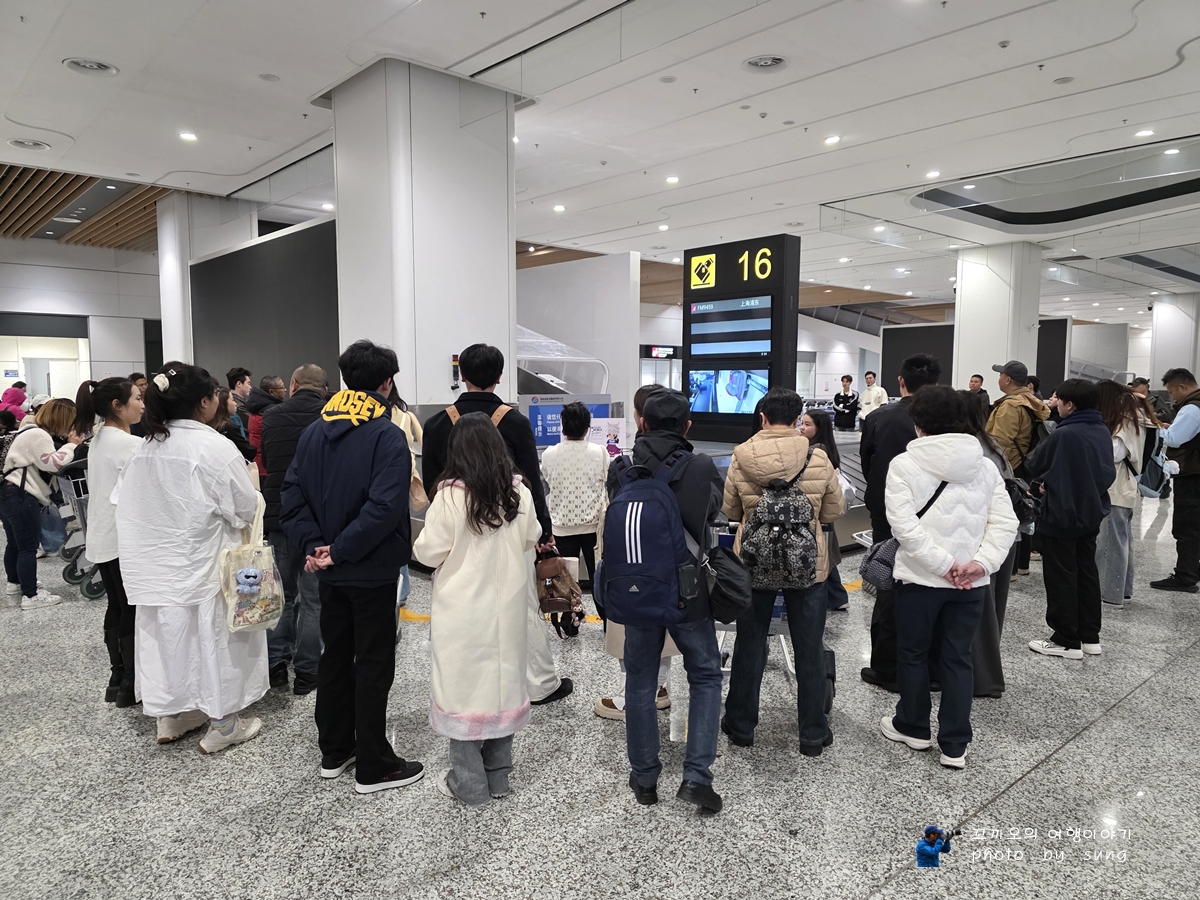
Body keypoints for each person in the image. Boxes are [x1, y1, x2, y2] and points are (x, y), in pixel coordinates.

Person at [281, 340, 425, 794]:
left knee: (336, 654)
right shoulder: (386, 435)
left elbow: (291, 496)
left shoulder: (313, 432)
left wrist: (317, 547)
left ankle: (335, 748)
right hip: (371, 567)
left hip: (328, 569)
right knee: (374, 662)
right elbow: (383, 509)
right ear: (386, 383)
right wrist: (340, 549)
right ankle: (374, 764)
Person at [115, 363, 266, 751]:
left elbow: (124, 501)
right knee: (211, 643)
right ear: (204, 402)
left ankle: (173, 715)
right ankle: (223, 724)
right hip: (201, 566)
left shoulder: (146, 446)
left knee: (168, 643)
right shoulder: (212, 447)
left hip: (153, 567)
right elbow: (244, 507)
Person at [422, 343, 572, 706]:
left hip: (456, 539)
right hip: (510, 532)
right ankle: (539, 683)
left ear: (462, 375)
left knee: (463, 616)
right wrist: (544, 530)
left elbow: (430, 484)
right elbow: (532, 480)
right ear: (500, 376)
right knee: (521, 607)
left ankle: (469, 691)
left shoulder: (437, 423)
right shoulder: (515, 422)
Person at [879, 386, 1017, 770]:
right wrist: (980, 564)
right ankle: (955, 745)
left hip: (919, 580)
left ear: (920, 423)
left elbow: (904, 527)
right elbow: (1005, 523)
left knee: (913, 654)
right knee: (958, 658)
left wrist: (943, 565)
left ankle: (913, 727)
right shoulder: (985, 466)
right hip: (971, 583)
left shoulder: (905, 464)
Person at [414, 413, 542, 805]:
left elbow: (428, 551)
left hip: (463, 611)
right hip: (507, 608)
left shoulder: (450, 496)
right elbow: (532, 537)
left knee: (463, 691)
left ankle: (468, 783)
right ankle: (499, 778)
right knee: (503, 688)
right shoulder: (518, 493)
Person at [608, 389, 725, 814]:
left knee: (640, 680)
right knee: (705, 675)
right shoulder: (701, 467)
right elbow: (712, 514)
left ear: (642, 422)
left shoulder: (621, 469)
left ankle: (644, 778)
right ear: (686, 427)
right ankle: (696, 778)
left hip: (637, 590)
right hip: (687, 591)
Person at [722, 387, 844, 756]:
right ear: (796, 420)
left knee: (749, 643)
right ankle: (812, 734)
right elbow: (833, 511)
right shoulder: (817, 457)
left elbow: (731, 511)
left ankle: (741, 726)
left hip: (753, 562)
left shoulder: (741, 456)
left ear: (762, 418)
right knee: (809, 647)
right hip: (808, 567)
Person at [595, 384, 679, 721]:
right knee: (665, 625)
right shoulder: (686, 464)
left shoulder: (624, 465)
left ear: (641, 419)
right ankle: (660, 687)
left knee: (628, 629)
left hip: (628, 560)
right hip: (670, 562)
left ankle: (630, 695)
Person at [859, 353, 942, 691]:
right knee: (934, 584)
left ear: (901, 381)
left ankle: (886, 667)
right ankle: (932, 669)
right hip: (936, 515)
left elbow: (867, 463)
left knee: (889, 584)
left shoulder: (879, 417)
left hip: (889, 514)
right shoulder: (949, 416)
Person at [1024, 379, 1115, 660]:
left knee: (1061, 575)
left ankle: (1066, 639)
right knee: (1086, 572)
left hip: (1061, 514)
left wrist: (1048, 483)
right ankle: (1089, 636)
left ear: (1070, 404)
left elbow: (1035, 463)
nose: (1056, 404)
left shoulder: (1064, 434)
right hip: (1091, 511)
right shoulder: (1102, 430)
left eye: (1058, 400)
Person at [74, 377, 144, 706]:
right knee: (129, 606)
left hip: (102, 535)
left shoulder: (99, 437)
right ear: (117, 406)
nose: (142, 404)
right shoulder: (129, 444)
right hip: (123, 537)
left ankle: (117, 678)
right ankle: (131, 683)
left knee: (115, 605)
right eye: (137, 398)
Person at [260, 364, 328, 694]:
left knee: (280, 596)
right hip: (318, 523)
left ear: (293, 385)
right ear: (325, 390)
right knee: (314, 600)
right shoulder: (330, 418)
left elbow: (269, 462)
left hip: (280, 515)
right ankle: (307, 672)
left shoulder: (271, 417)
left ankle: (275, 666)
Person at [959, 391, 1017, 699]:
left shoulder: (972, 452)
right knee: (991, 613)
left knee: (979, 615)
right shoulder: (991, 444)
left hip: (983, 541)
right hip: (1003, 541)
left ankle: (981, 680)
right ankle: (986, 676)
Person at [1, 398, 82, 609]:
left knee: (15, 544)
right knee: (28, 547)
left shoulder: (26, 431)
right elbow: (53, 464)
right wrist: (72, 445)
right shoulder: (39, 434)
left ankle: (15, 583)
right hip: (21, 493)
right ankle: (31, 595)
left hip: (8, 492)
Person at [986, 360, 1049, 576]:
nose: (999, 378)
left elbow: (1000, 443)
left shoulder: (1010, 406)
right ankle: (1022, 565)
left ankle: (1009, 570)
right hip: (1025, 467)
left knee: (1007, 518)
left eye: (1000, 375)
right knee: (1023, 514)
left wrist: (1000, 473)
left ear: (1007, 379)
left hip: (1010, 468)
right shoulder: (1032, 401)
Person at [541, 401, 608, 589]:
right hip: (593, 527)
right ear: (587, 429)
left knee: (566, 581)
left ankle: (569, 608)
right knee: (598, 578)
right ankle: (601, 607)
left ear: (563, 428)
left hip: (562, 525)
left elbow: (548, 481)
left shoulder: (549, 454)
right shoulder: (600, 453)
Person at [1095, 381, 1149, 610]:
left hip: (1116, 487)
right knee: (1122, 542)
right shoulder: (1135, 417)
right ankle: (1122, 592)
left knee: (1109, 544)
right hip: (1124, 487)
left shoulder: (1125, 421)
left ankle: (1109, 594)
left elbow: (1114, 453)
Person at [800, 409, 855, 611]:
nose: (802, 428)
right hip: (824, 511)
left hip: (818, 512)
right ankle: (837, 597)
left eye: (807, 424)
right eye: (802, 423)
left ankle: (836, 597)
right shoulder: (825, 448)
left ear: (819, 428)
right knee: (825, 554)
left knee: (823, 555)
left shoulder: (816, 452)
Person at [1153, 368, 1200, 593]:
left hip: (1192, 475)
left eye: (1172, 392)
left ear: (1182, 386)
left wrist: (1156, 429)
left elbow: (1175, 439)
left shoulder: (1192, 407)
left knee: (1187, 526)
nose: (1172, 397)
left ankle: (1185, 577)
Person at [388, 385, 423, 618]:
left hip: (380, 480)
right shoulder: (407, 416)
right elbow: (425, 442)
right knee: (401, 532)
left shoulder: (370, 416)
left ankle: (395, 588)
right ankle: (402, 591)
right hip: (403, 479)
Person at [245, 375, 284, 477]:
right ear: (272, 392)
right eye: (282, 387)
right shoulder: (270, 413)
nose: (285, 390)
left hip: (260, 463)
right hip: (266, 467)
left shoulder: (257, 408)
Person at [212, 387, 257, 462]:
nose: (235, 403)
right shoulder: (230, 429)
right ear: (223, 405)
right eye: (232, 400)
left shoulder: (210, 426)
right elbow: (248, 450)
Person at [226, 366, 252, 436]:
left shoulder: (239, 402)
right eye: (248, 383)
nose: (250, 387)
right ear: (239, 384)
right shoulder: (237, 405)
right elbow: (252, 424)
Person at [128, 373, 148, 437]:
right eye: (141, 385)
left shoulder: (151, 399)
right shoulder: (129, 402)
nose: (145, 387)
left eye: (146, 384)